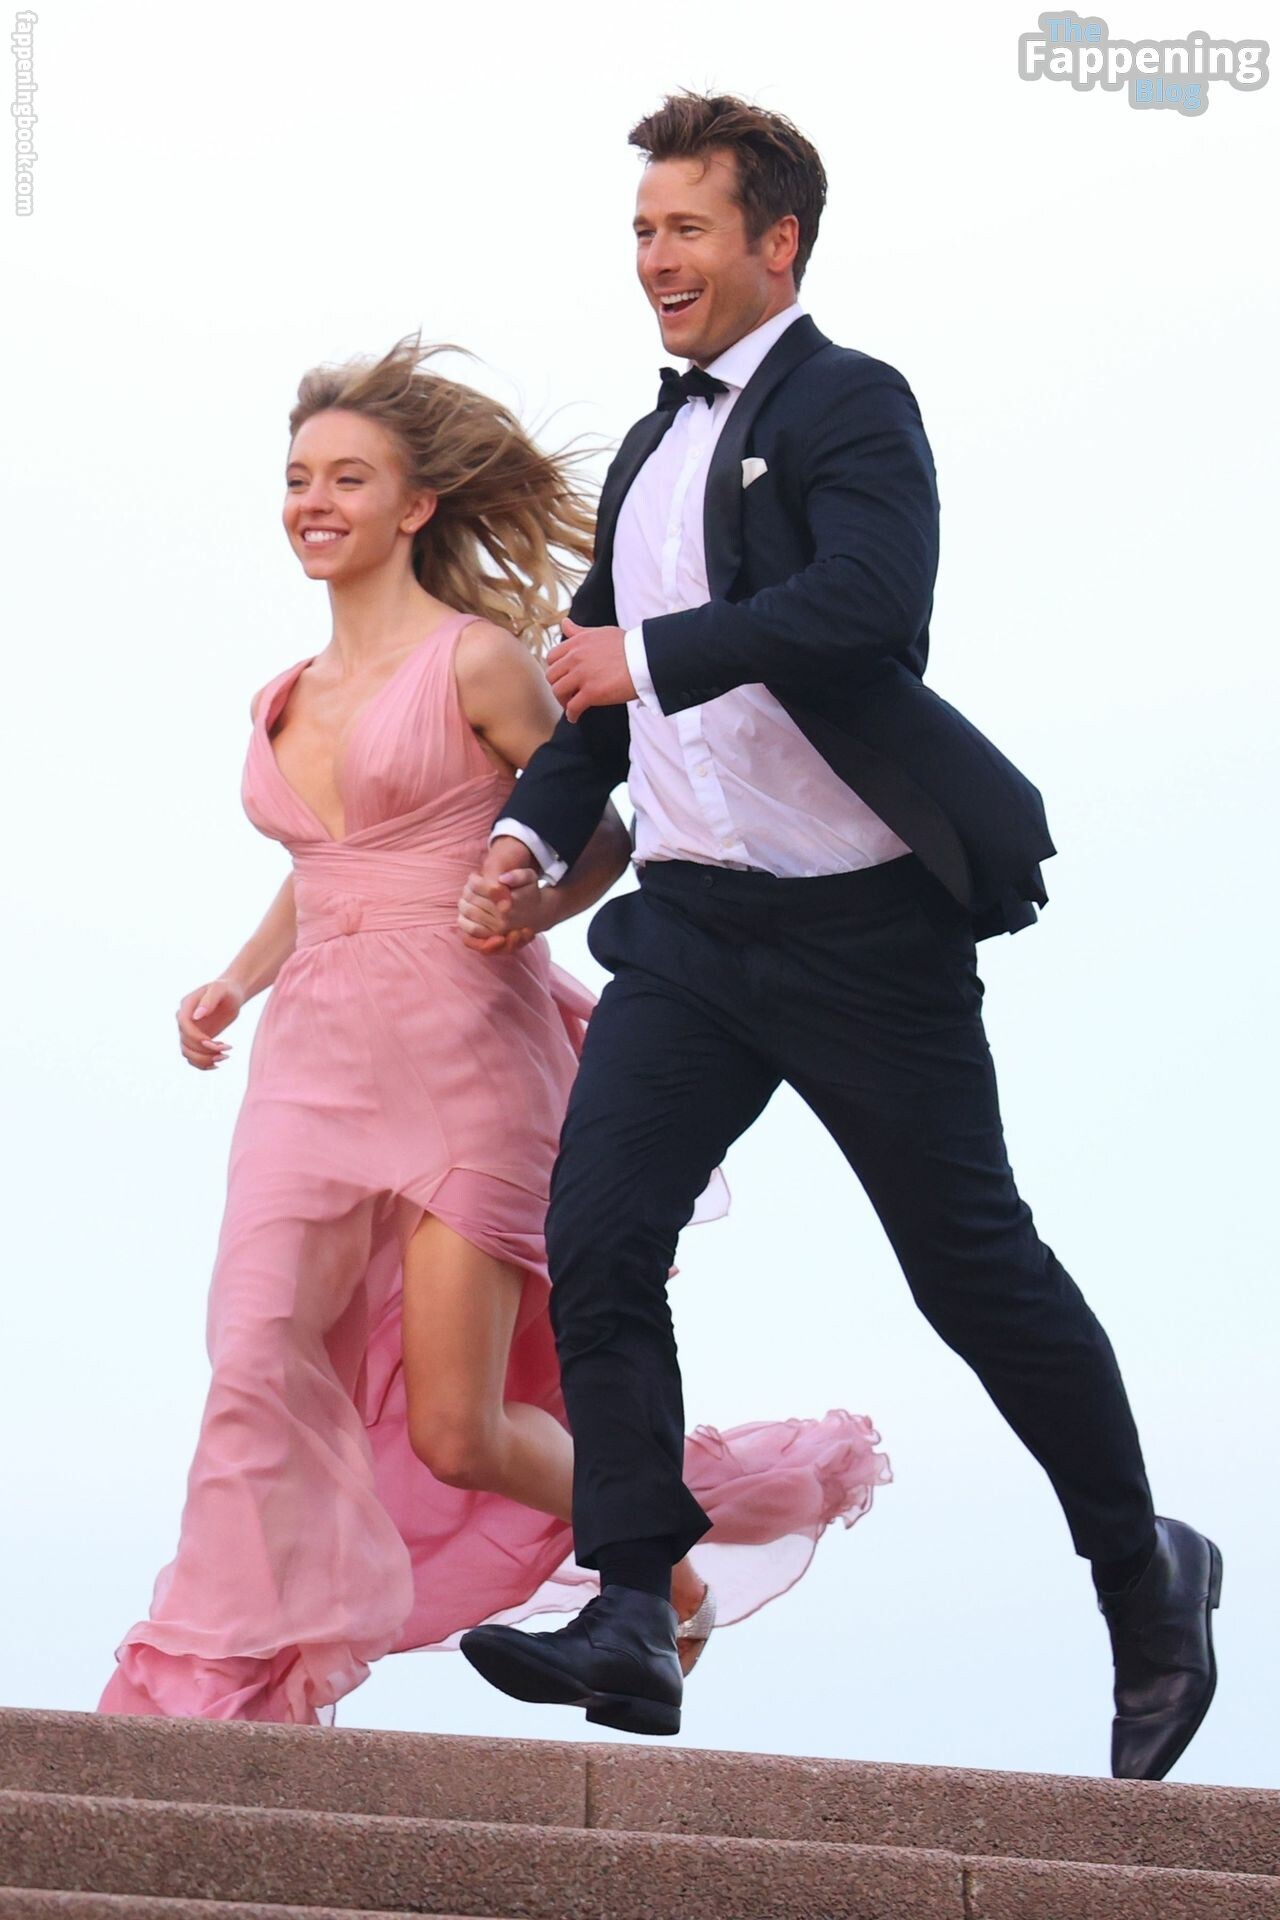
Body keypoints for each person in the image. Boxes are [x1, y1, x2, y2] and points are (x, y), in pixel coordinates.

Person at [455, 94, 1221, 1779]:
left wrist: (651, 657)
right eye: (641, 230)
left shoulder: (852, 402)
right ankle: (633, 1603)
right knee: (599, 1235)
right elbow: (592, 693)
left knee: (977, 1277)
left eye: (686, 228)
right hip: (694, 930)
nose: (655, 258)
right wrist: (529, 834)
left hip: (866, 932)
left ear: (777, 242)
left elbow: (870, 608)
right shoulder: (649, 452)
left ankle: (1143, 1572)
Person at [97, 336, 889, 1727]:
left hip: (466, 1055)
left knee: (460, 1428)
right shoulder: (284, 696)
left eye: (348, 477)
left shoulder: (478, 664)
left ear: (415, 506)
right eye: (299, 477)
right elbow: (327, 865)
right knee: (256, 1353)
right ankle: (213, 1678)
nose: (313, 501)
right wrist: (236, 981)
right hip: (311, 1066)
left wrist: (531, 906)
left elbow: (603, 834)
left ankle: (662, 1572)